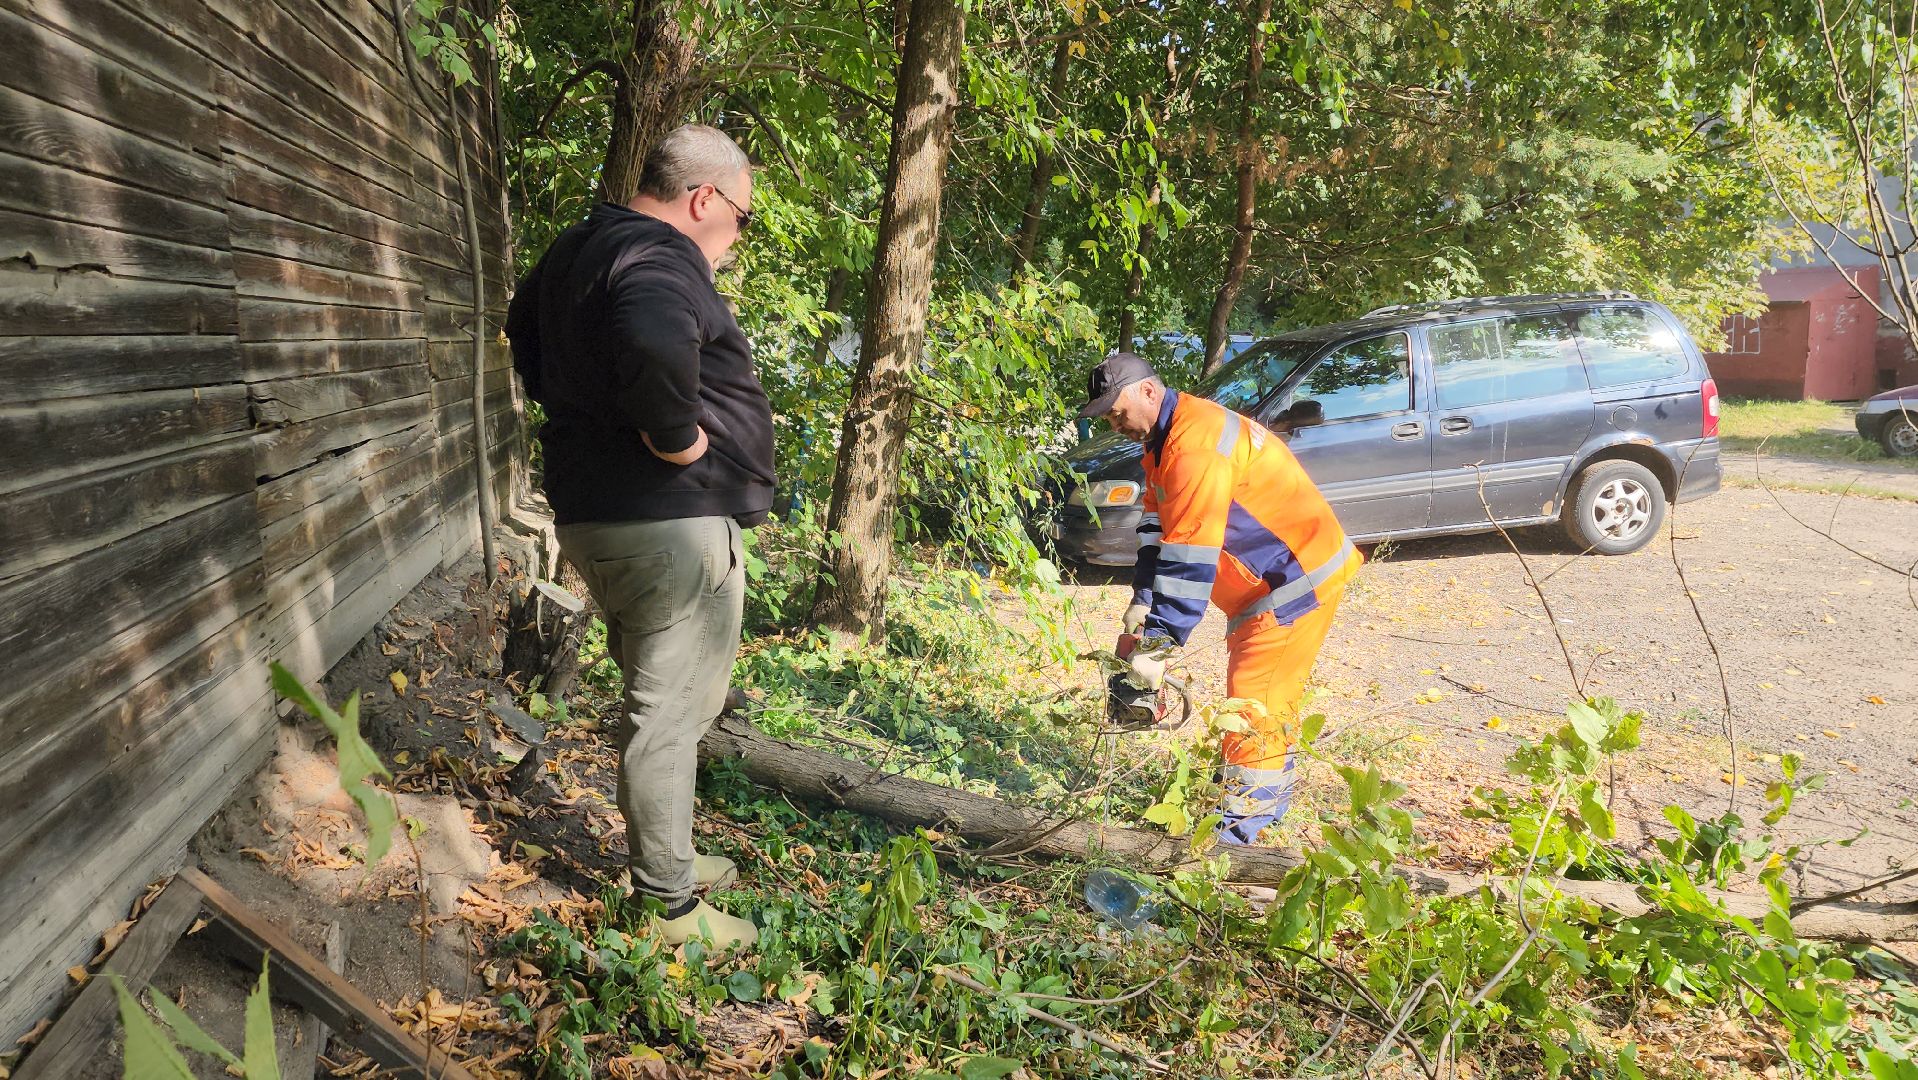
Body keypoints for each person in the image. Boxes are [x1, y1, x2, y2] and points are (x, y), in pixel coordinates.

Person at [506, 125, 771, 950]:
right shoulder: (661, 256)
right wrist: (676, 439)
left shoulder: (578, 248)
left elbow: (522, 331)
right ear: (704, 200)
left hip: (601, 516)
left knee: (671, 703)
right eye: (742, 219)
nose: (736, 241)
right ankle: (669, 907)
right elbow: (656, 336)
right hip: (668, 523)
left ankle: (671, 854)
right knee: (666, 716)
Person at [1081, 352, 1360, 844]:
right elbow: (1155, 524)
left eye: (1117, 411)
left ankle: (1243, 831)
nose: (1113, 422)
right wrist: (1143, 600)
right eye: (1105, 415)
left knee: (1257, 701)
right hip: (1268, 580)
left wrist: (1157, 648)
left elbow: (1191, 556)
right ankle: (1242, 788)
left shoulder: (1195, 446)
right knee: (1258, 699)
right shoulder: (1163, 440)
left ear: (1149, 391)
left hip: (1290, 582)